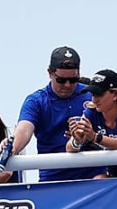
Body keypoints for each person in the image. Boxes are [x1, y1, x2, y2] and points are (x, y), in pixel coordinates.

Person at [11, 47, 94, 182]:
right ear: (50, 73)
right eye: (61, 80)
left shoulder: (92, 95)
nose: (67, 85)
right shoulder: (36, 100)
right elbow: (24, 129)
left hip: (93, 175)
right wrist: (12, 147)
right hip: (53, 178)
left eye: (73, 80)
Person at [67, 69, 117, 177]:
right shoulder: (91, 112)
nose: (94, 100)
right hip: (116, 176)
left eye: (99, 94)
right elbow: (69, 148)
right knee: (98, 179)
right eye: (93, 94)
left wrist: (95, 137)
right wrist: (77, 140)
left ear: (115, 94)